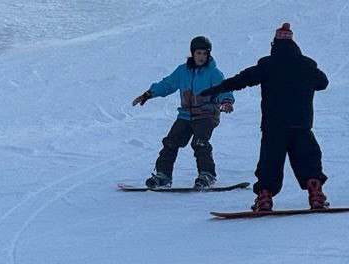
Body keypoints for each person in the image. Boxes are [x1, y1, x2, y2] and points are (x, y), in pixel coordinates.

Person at [200, 23, 329, 211]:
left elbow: (242, 79)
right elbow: (323, 82)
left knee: (270, 162)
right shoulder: (306, 65)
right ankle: (316, 195)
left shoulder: (267, 64)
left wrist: (217, 89)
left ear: (274, 44)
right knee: (308, 159)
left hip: (273, 125)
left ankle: (264, 198)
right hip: (301, 124)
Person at [132, 36, 235, 189]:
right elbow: (167, 84)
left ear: (208, 55)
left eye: (204, 54)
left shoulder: (214, 73)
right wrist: (148, 94)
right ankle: (163, 175)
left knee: (200, 143)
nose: (201, 57)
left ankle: (207, 174)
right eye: (198, 53)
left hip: (207, 115)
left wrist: (227, 101)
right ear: (193, 53)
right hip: (185, 115)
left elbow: (224, 89)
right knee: (170, 142)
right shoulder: (183, 71)